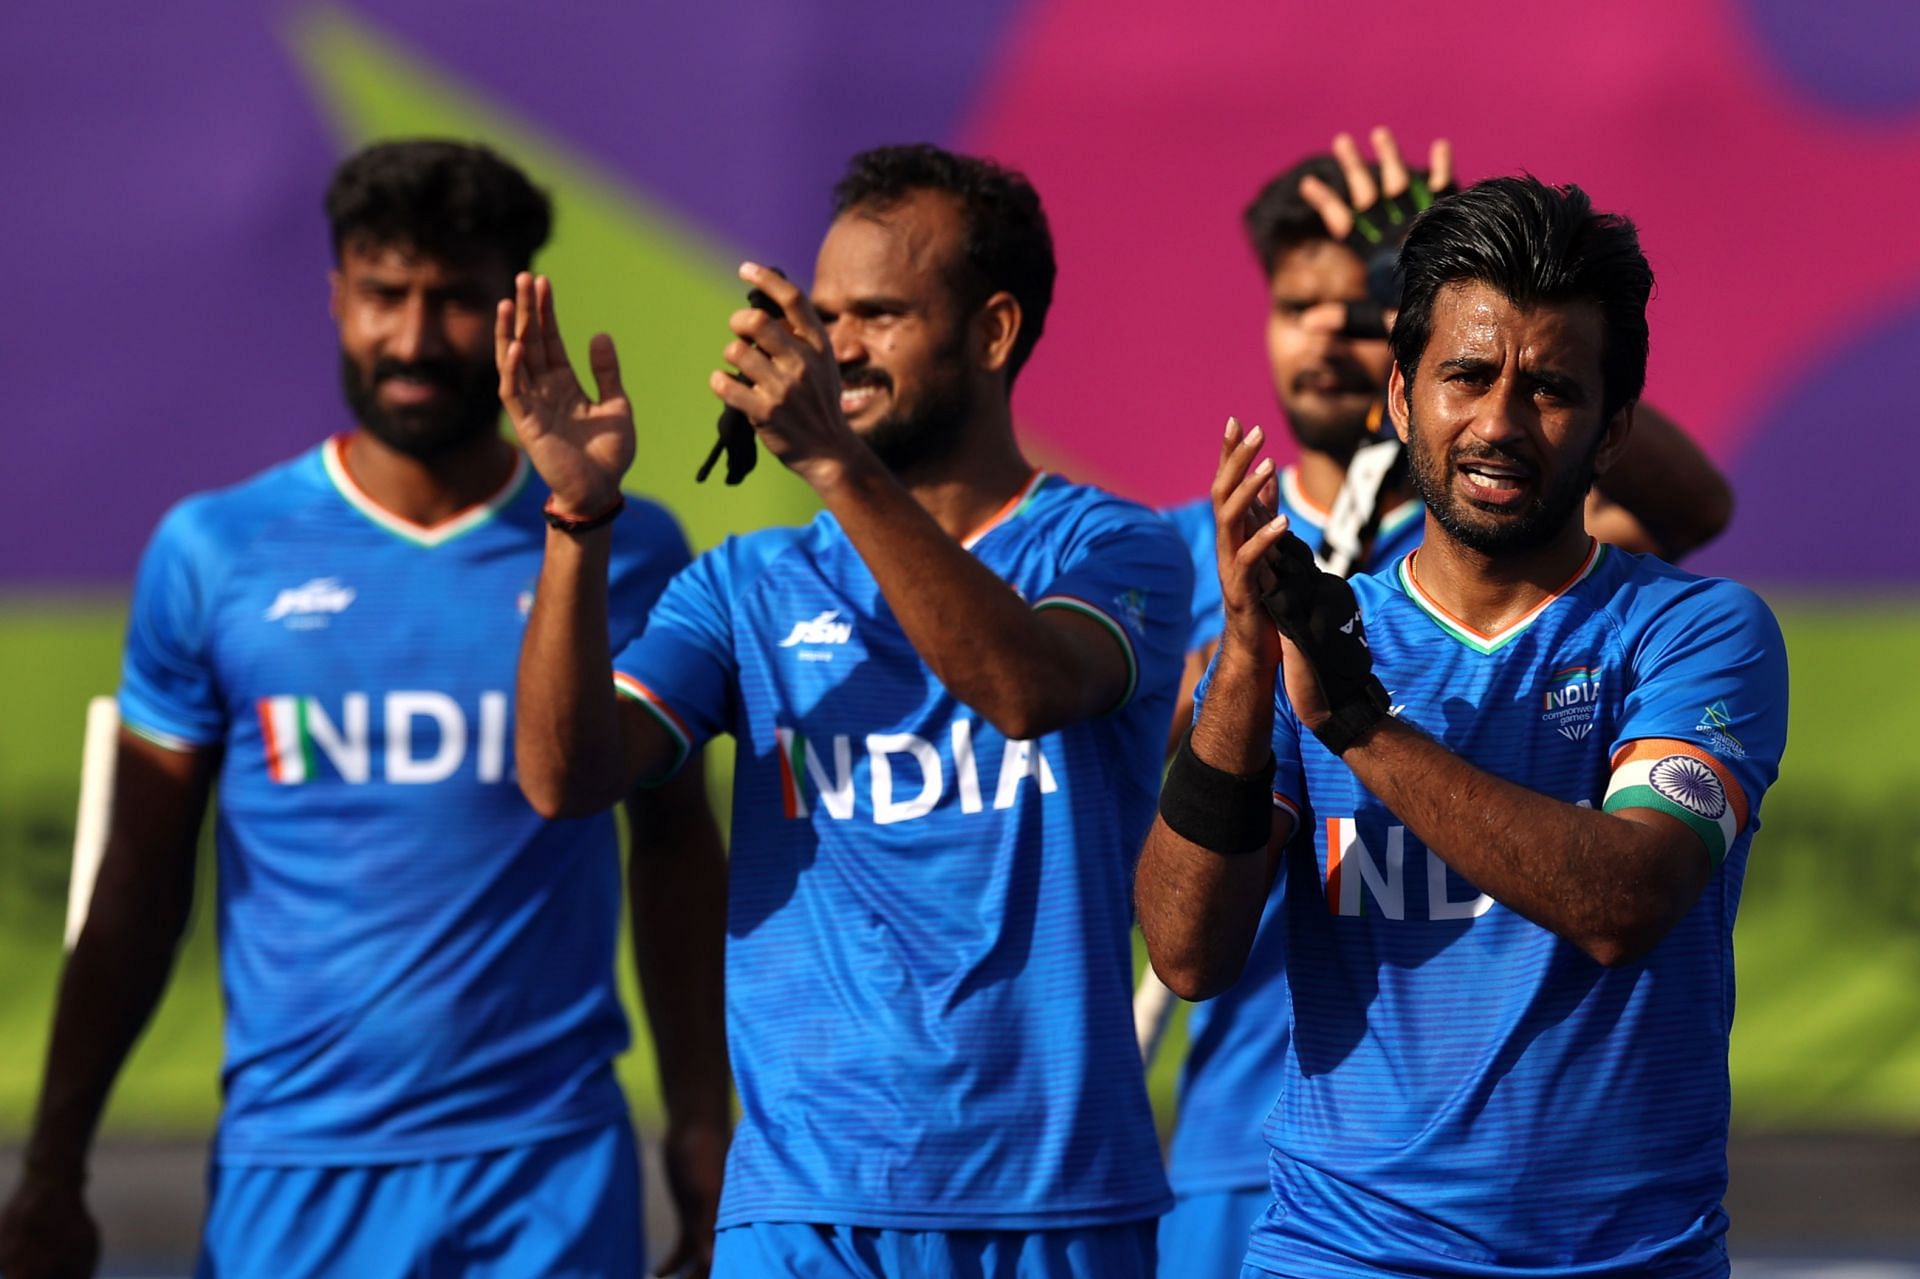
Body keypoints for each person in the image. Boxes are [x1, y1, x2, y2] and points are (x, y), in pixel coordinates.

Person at [0, 141, 730, 1279]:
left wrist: (700, 1126)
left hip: (548, 1170)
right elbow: (139, 879)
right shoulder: (216, 551)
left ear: (512, 313)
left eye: (454, 300)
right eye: (384, 294)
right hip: (294, 1178)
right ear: (337, 293)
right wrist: (54, 1165)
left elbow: (678, 850)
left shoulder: (619, 549)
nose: (413, 336)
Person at [501, 143, 1188, 1278]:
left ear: (996, 332)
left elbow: (1022, 689)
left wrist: (830, 459)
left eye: (879, 314)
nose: (838, 348)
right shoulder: (741, 587)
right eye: (825, 315)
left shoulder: (1115, 547)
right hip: (804, 1214)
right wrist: (579, 517)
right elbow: (565, 779)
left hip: (1058, 1204)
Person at [1137, 175, 1787, 1277]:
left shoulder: (1697, 633)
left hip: (1625, 1259)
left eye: (1548, 389)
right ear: (1399, 400)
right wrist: (1248, 659)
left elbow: (1623, 899)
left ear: (1613, 425)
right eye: (1467, 377)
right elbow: (1189, 953)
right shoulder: (1301, 637)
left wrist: (1362, 727)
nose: (1498, 421)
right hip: (1336, 1254)